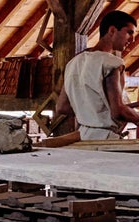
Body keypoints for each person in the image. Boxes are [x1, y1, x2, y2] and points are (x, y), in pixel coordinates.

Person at [55, 10, 139, 140]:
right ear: (112, 30)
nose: (133, 39)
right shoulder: (112, 63)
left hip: (83, 136)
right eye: (129, 32)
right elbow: (117, 111)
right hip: (106, 138)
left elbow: (62, 107)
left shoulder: (73, 63)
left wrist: (91, 114)